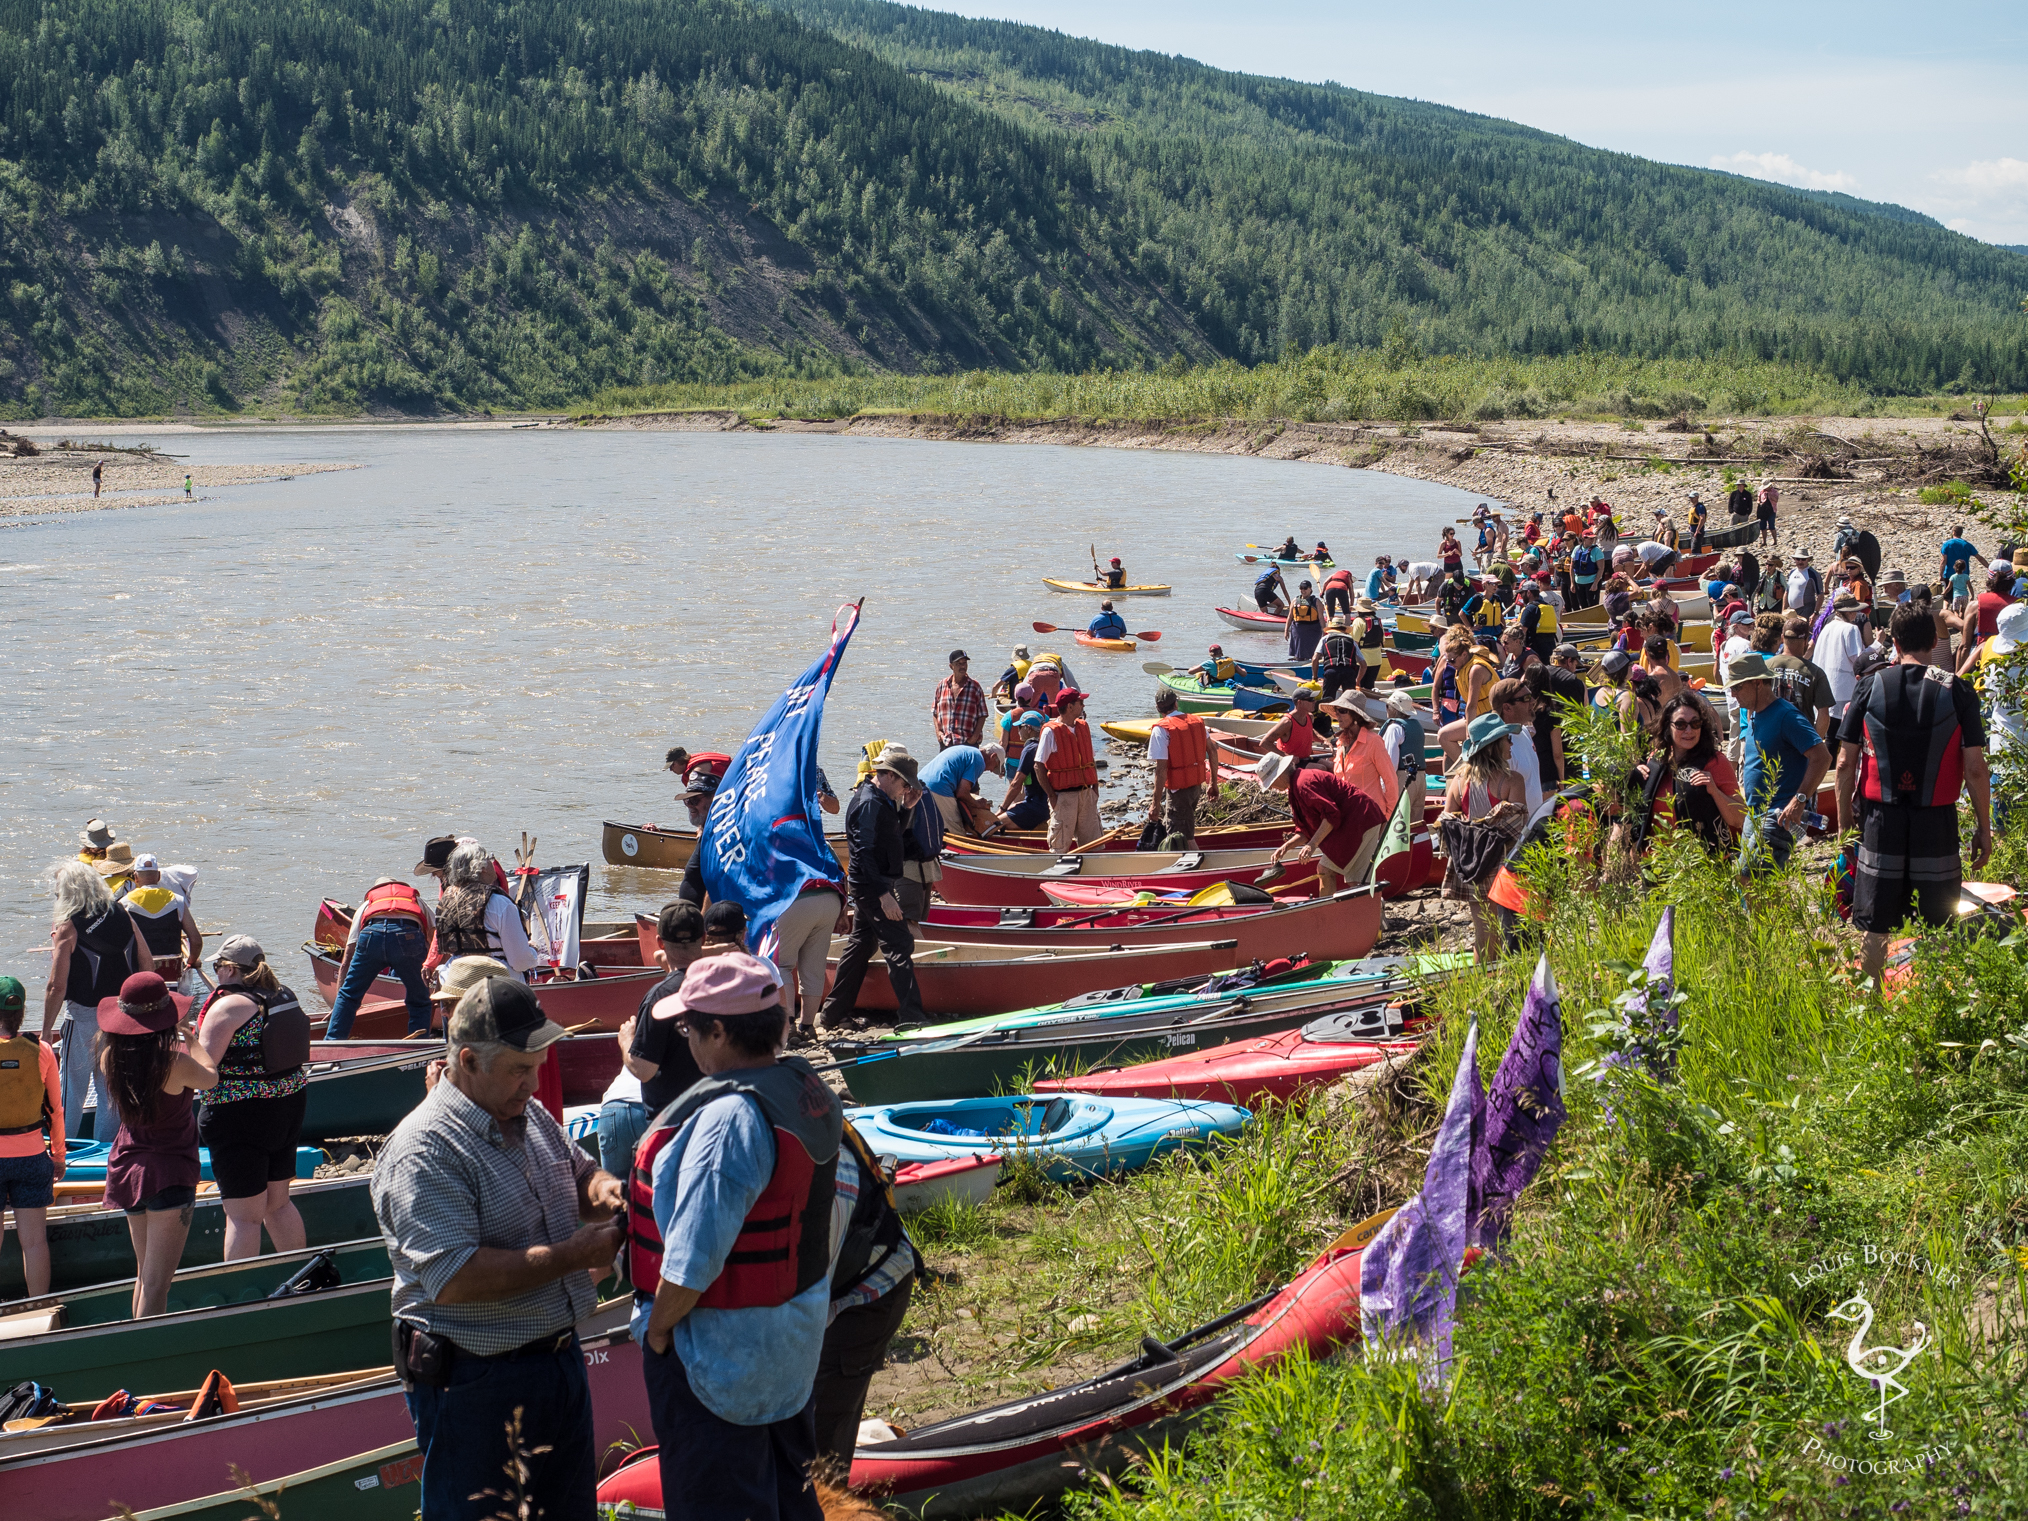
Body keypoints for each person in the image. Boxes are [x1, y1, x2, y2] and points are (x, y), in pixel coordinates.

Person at [373, 976, 623, 1521]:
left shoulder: (525, 1113)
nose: (533, 1084)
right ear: (468, 1060)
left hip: (555, 1361)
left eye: (536, 1068)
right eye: (518, 1069)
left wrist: (609, 1192)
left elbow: (579, 1173)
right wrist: (573, 1256)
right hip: (475, 1382)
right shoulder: (424, 1148)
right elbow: (455, 1276)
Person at [629, 953, 841, 1521]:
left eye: (687, 1026)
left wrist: (657, 1331)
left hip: (719, 1364)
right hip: (789, 1348)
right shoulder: (800, 1089)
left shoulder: (726, 1121)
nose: (685, 1037)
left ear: (718, 1031)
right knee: (790, 1497)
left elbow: (691, 1262)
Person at [1837, 605, 1992, 983]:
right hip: (1935, 820)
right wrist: (1983, 829)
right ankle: (1934, 1003)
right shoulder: (1957, 690)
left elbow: (1844, 762)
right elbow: (1974, 768)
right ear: (1936, 641)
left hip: (1880, 818)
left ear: (1894, 641)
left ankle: (1871, 1007)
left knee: (1877, 922)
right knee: (1938, 920)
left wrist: (1845, 826)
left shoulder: (1870, 686)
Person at [97, 971, 218, 1317]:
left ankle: (134, 1345)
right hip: (169, 1170)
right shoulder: (174, 1064)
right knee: (158, 1283)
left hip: (126, 1168)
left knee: (144, 1275)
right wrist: (191, 1039)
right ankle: (146, 1355)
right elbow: (211, 1077)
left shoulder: (110, 1059)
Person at [193, 936, 309, 1260]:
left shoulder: (229, 1007)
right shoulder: (283, 996)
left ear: (230, 969)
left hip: (240, 1117)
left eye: (217, 966)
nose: (215, 972)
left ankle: (242, 1302)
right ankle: (301, 1279)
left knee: (244, 1217)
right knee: (278, 1204)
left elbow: (204, 1070)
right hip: (288, 1106)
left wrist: (181, 1042)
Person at [815, 1120, 918, 1474]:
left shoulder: (826, 1167)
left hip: (870, 1292)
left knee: (820, 1440)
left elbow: (806, 1301)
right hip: (837, 1284)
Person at [44, 858, 151, 1139]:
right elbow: (148, 966)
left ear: (69, 892)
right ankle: (106, 1154)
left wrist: (45, 1032)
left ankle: (63, 1149)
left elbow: (56, 985)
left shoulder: (69, 927)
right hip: (121, 1015)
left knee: (71, 1089)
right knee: (111, 1090)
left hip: (84, 1017)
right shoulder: (122, 913)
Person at [822, 749, 927, 1028]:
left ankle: (833, 1013)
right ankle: (912, 1017)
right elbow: (862, 853)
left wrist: (906, 809)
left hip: (874, 883)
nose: (906, 789)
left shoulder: (881, 799)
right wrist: (884, 896)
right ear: (890, 776)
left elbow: (890, 838)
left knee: (861, 945)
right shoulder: (869, 802)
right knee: (899, 943)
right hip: (872, 886)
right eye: (905, 783)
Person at [1725, 653, 1832, 870]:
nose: (1733, 694)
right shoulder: (1754, 713)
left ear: (1757, 683)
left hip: (1777, 814)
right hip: (1754, 812)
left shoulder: (1786, 716)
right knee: (1744, 881)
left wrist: (1799, 800)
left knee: (1751, 879)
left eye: (1737, 687)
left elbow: (1822, 757)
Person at [1437, 714, 1528, 963]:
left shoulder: (1457, 782)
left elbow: (1447, 822)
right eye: (1507, 739)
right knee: (1510, 930)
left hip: (1471, 865)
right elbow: (1519, 829)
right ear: (1494, 745)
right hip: (1502, 863)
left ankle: (1482, 984)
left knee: (1483, 932)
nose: (1510, 744)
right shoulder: (1512, 781)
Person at [0, 974, 64, 1298]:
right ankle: (38, 1305)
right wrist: (60, 1156)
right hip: (31, 1156)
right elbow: (55, 1110)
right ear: (22, 1012)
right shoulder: (41, 1051)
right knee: (35, 1241)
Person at [1256, 752, 1388, 894]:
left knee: (1327, 870)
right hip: (1360, 820)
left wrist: (1312, 845)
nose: (1271, 788)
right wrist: (1286, 847)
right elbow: (1306, 830)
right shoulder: (1295, 787)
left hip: (1360, 821)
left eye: (1271, 782)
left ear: (1279, 775)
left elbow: (1331, 815)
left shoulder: (1303, 783)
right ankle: (1371, 913)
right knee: (1357, 881)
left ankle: (1326, 913)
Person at [326, 874, 435, 1038]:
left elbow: (347, 960)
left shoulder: (367, 906)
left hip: (372, 935)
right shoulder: (417, 901)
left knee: (349, 996)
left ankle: (332, 1043)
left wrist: (338, 1003)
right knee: (419, 1000)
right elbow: (436, 938)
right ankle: (418, 1045)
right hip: (407, 936)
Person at [629, 904, 711, 1107]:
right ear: (703, 939)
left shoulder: (660, 997)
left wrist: (626, 1040)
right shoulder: (724, 986)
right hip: (716, 1112)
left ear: (660, 943)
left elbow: (643, 1071)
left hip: (672, 1120)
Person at [1637, 697, 1746, 850]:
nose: (1689, 731)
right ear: (1668, 725)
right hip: (1656, 862)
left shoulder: (1716, 762)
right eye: (1681, 724)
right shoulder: (1656, 760)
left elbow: (1739, 819)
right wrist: (1637, 778)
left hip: (1699, 863)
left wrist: (1714, 791)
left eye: (1695, 724)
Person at [433, 842, 538, 974]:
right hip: (493, 982)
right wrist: (533, 951)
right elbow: (520, 962)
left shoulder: (445, 902)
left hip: (454, 977)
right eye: (489, 859)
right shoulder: (500, 903)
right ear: (482, 867)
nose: (492, 863)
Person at [1036, 688, 1103, 852]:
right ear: (1070, 707)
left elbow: (1090, 760)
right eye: (1080, 702)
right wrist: (1051, 796)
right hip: (1063, 797)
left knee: (1093, 845)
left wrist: (1095, 788)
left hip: (1087, 794)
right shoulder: (1050, 732)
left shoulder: (1083, 727)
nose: (1083, 705)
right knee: (1059, 845)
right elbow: (1038, 765)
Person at [119, 854, 202, 983]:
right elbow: (196, 941)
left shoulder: (124, 904)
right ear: (158, 876)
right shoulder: (178, 900)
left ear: (136, 878)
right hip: (172, 969)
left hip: (140, 970)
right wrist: (192, 961)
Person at [1148, 686, 1213, 847]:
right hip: (1196, 786)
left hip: (1179, 792)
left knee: (1182, 837)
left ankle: (1199, 866)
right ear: (1176, 704)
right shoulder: (1197, 722)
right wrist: (1213, 784)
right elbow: (1212, 750)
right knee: (1183, 828)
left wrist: (1155, 803)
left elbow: (1161, 770)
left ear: (1158, 708)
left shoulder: (1161, 730)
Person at [1328, 694, 1399, 817]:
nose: (1337, 715)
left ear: (1355, 715)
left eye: (1342, 711)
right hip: (1347, 814)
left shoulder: (1373, 741)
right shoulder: (1341, 742)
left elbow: (1390, 780)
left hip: (1370, 814)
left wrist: (1389, 816)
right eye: (1336, 711)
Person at [1527, 651, 1587, 786]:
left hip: (1529, 772)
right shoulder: (1549, 714)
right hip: (1548, 773)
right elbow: (1558, 753)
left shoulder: (1523, 713)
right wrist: (1562, 780)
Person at [1769, 614, 1835, 736]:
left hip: (1769, 736)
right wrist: (1815, 743)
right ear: (1805, 641)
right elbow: (1824, 714)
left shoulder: (1765, 666)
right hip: (1801, 739)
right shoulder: (1815, 672)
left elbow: (1752, 704)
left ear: (1782, 638)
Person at [919, 743, 1005, 836]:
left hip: (918, 784)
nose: (991, 770)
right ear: (993, 756)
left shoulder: (965, 750)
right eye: (995, 766)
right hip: (938, 788)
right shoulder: (978, 760)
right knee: (956, 830)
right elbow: (962, 793)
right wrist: (978, 804)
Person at [1812, 592, 1870, 721]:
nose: (1856, 614)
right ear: (1848, 612)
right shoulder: (1850, 629)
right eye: (1854, 611)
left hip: (1825, 690)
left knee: (1829, 736)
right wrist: (1877, 644)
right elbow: (1860, 660)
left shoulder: (1826, 628)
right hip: (1844, 691)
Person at [1489, 678, 1543, 813]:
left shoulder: (1523, 731)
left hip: (1534, 826)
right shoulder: (1498, 744)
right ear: (1507, 707)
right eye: (1526, 698)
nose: (1533, 701)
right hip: (1515, 829)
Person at [995, 710, 1051, 832]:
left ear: (1028, 728)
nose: (1018, 730)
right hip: (1048, 804)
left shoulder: (1030, 749)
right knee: (1014, 807)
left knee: (995, 824)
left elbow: (1016, 783)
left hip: (1036, 807)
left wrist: (1002, 808)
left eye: (1020, 727)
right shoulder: (1046, 744)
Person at [1380, 688, 1429, 823]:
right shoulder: (1417, 726)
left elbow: (1390, 761)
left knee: (1397, 823)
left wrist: (1383, 787)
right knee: (1415, 823)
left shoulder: (1394, 728)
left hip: (1403, 779)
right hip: (1420, 778)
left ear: (1392, 708)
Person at [932, 650, 987, 751]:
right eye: (958, 664)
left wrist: (974, 737)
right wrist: (938, 732)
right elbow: (935, 711)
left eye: (964, 663)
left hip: (968, 742)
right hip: (946, 742)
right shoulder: (942, 685)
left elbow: (983, 714)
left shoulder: (975, 687)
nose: (963, 666)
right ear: (951, 666)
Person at [1313, 615, 1362, 704]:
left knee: (1327, 700)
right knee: (1349, 702)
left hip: (1331, 671)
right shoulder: (1352, 641)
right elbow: (1364, 664)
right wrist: (1357, 681)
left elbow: (1315, 659)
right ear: (1344, 629)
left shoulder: (1325, 639)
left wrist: (1315, 677)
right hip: (1349, 672)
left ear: (1331, 628)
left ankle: (1325, 716)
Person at [1260, 686, 1320, 759]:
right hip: (1290, 763)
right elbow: (1265, 743)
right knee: (1321, 768)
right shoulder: (1287, 722)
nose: (1314, 702)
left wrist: (1324, 740)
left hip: (1305, 759)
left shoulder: (1310, 717)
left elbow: (1308, 730)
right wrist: (1287, 757)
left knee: (1330, 765)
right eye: (1311, 699)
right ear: (1300, 702)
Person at [1350, 597, 1387, 692]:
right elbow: (1383, 641)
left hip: (1362, 661)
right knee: (1369, 687)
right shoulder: (1378, 621)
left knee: (1358, 687)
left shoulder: (1358, 621)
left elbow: (1354, 642)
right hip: (1376, 660)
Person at [1284, 578, 1323, 661]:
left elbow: (1321, 618)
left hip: (1313, 630)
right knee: (1299, 654)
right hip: (1298, 630)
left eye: (1305, 588)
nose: (1303, 590)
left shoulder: (1316, 602)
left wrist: (1324, 631)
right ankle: (1298, 664)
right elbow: (1290, 617)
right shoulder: (1295, 601)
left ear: (1310, 589)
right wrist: (1286, 630)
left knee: (1315, 653)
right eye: (1301, 588)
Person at [1785, 549, 1822, 619]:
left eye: (1803, 559)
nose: (1800, 561)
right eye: (1798, 559)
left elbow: (1820, 595)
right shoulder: (1792, 572)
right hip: (1791, 612)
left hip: (1807, 610)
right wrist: (1784, 610)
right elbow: (1787, 592)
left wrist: (1815, 613)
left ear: (1808, 559)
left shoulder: (1813, 574)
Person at [1755, 479, 1780, 546]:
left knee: (1771, 526)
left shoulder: (1774, 492)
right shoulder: (1761, 492)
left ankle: (1775, 541)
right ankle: (1764, 542)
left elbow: (1776, 500)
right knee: (1763, 527)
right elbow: (1758, 500)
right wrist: (1759, 502)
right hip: (1763, 511)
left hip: (1771, 510)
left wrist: (1769, 495)